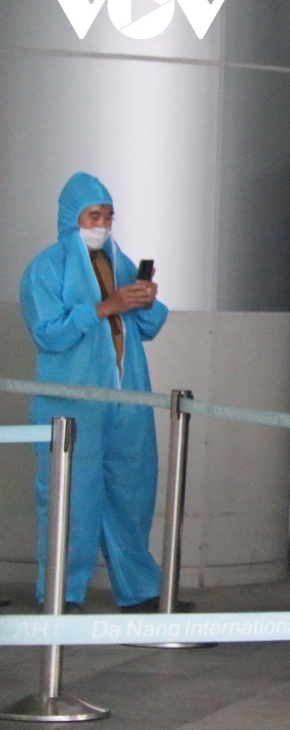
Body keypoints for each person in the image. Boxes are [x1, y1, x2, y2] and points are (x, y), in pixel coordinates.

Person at [20, 172, 172, 614]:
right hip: (72, 406)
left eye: (108, 215)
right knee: (72, 498)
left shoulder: (116, 261)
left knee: (132, 492)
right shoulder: (47, 268)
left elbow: (148, 326)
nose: (102, 224)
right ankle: (61, 593)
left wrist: (146, 299)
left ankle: (140, 590)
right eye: (94, 215)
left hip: (128, 400)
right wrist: (104, 308)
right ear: (73, 217)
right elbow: (48, 334)